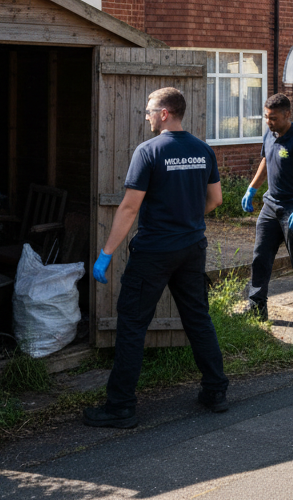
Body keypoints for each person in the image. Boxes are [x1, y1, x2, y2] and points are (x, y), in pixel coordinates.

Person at [83, 87, 229, 429]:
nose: (146, 115)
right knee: (198, 319)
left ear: (165, 113)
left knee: (132, 324)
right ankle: (215, 392)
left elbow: (130, 206)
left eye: (149, 110)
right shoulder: (202, 150)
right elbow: (216, 199)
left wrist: (106, 253)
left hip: (154, 252)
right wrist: (189, 218)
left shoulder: (148, 151)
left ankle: (120, 406)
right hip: (192, 248)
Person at [242, 93, 293, 326]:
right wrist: (252, 189)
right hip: (271, 205)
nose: (269, 122)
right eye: (266, 117)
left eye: (274, 118)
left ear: (287, 115)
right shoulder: (270, 135)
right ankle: (256, 307)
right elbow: (266, 161)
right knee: (260, 256)